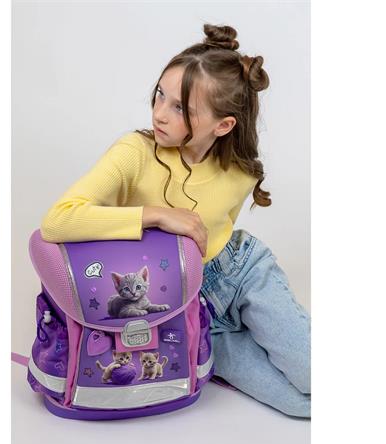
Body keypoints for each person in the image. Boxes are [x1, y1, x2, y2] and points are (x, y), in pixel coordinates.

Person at [40, 23, 311, 418]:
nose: (159, 114)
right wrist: (156, 215)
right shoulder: (134, 153)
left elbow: (217, 232)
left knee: (313, 375)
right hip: (182, 304)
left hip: (241, 272)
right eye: (160, 95)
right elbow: (57, 220)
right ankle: (236, 340)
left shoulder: (241, 173)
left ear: (223, 125)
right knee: (300, 405)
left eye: (180, 108)